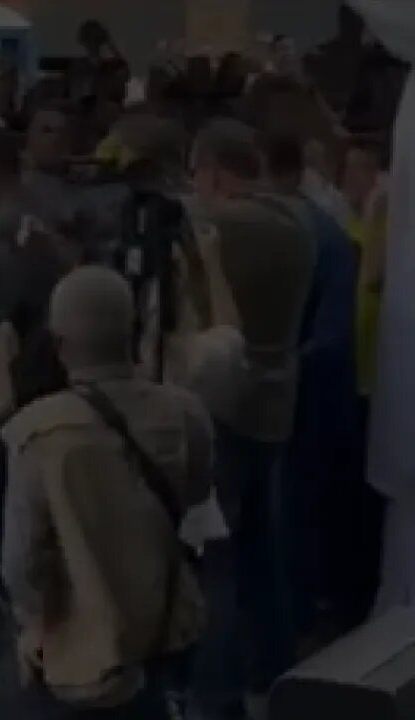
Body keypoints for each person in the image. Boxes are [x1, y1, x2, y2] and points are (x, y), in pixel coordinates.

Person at [1, 266, 213, 718]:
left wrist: (37, 626)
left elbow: (24, 563)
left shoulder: (36, 433)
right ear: (133, 330)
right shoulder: (185, 412)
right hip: (172, 624)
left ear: (59, 344)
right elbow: (196, 497)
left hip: (86, 654)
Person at [186, 119, 316, 719]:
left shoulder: (223, 225)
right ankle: (274, 675)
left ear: (212, 172)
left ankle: (217, 697)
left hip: (226, 403)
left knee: (217, 558)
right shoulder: (301, 222)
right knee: (264, 552)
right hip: (276, 403)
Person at [262, 133, 361, 638]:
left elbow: (328, 337)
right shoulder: (327, 233)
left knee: (288, 523)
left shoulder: (303, 234)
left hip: (294, 404)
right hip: (311, 398)